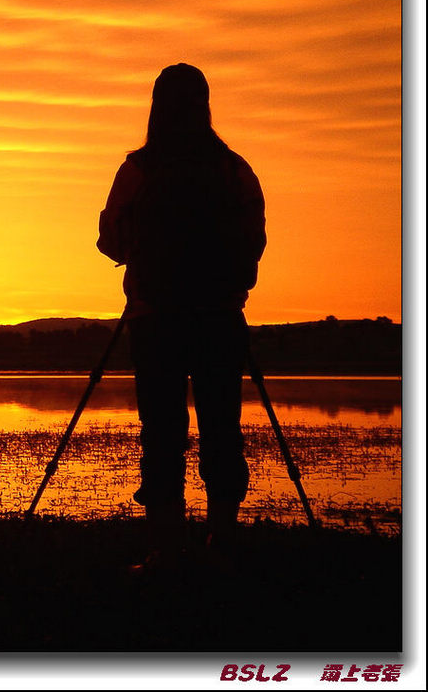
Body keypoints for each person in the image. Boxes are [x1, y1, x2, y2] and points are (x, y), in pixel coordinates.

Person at [97, 63, 266, 569]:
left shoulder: (137, 170)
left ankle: (166, 546)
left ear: (156, 106)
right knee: (222, 425)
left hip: (155, 319)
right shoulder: (235, 169)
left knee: (162, 430)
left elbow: (111, 242)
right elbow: (254, 243)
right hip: (219, 318)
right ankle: (223, 538)